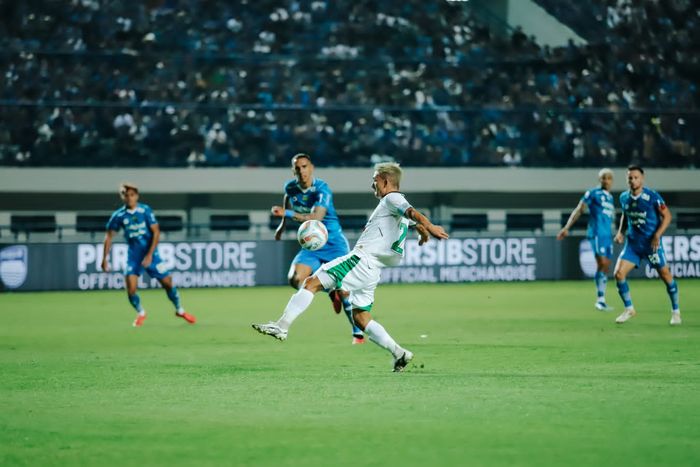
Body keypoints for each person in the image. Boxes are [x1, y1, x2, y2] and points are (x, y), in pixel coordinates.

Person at [254, 162, 450, 371]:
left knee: (311, 282)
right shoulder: (394, 205)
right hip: (373, 270)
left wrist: (429, 226)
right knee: (361, 318)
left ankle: (282, 326)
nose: (371, 184)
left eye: (374, 180)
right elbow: (412, 220)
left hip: (361, 260)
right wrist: (422, 231)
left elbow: (413, 214)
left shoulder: (393, 198)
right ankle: (399, 353)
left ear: (385, 181)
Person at [271, 153, 365, 344]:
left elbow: (317, 218)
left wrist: (287, 213)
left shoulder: (323, 188)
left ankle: (358, 334)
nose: (302, 171)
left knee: (345, 291)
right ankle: (330, 290)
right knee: (295, 279)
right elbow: (286, 203)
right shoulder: (290, 188)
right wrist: (281, 228)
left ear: (311, 168)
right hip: (311, 244)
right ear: (293, 170)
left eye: (305, 167)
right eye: (298, 168)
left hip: (333, 243)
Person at [101, 182, 196, 327]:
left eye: (132, 195)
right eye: (126, 195)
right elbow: (108, 236)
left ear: (137, 196)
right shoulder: (118, 215)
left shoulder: (145, 210)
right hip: (133, 257)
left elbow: (156, 231)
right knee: (131, 289)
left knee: (168, 283)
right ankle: (141, 313)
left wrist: (150, 254)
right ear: (123, 197)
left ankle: (180, 310)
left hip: (151, 254)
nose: (129, 198)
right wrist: (104, 258)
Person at [613, 166, 681, 325]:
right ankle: (629, 308)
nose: (633, 180)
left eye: (636, 177)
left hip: (651, 244)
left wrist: (657, 235)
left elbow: (667, 216)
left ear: (642, 179)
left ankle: (676, 311)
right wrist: (620, 232)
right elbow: (625, 214)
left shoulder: (652, 197)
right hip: (633, 245)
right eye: (630, 177)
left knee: (665, 276)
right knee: (618, 274)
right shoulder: (624, 197)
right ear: (627, 179)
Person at [557, 168, 615, 310]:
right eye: (603, 178)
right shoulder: (593, 193)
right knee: (601, 263)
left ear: (612, 181)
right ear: (599, 180)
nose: (606, 180)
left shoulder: (610, 198)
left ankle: (602, 298)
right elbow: (579, 209)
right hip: (596, 233)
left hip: (607, 235)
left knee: (606, 265)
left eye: (608, 178)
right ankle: (599, 300)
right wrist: (567, 227)